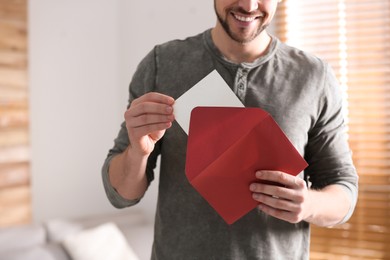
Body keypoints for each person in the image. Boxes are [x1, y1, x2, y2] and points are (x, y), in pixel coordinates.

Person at [102, 0, 358, 259]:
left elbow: (343, 189)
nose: (248, 5)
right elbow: (121, 196)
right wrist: (137, 152)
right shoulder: (162, 64)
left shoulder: (314, 77)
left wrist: (309, 204)